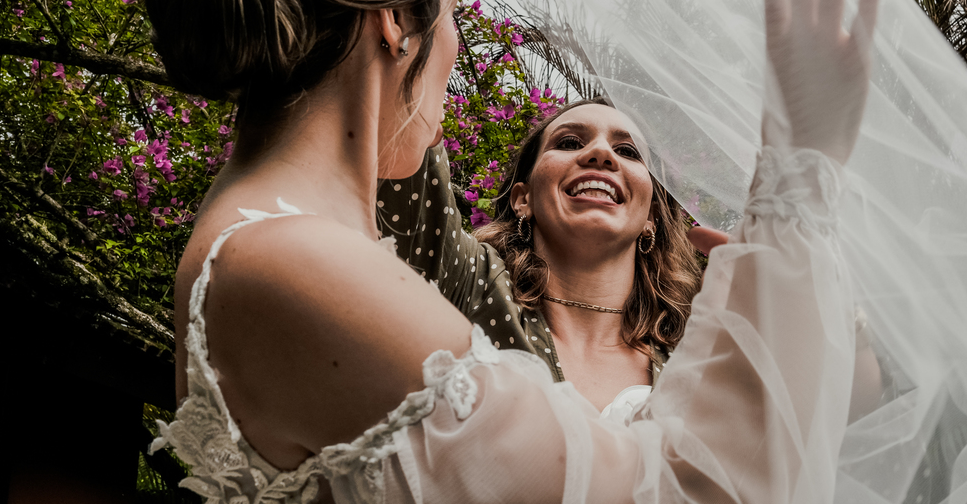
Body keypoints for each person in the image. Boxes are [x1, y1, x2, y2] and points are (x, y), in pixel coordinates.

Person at [145, 0, 877, 504]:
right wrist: (798, 169)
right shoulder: (294, 262)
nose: (455, 48)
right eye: (454, 12)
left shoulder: (268, 243)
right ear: (395, 21)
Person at [378, 100, 885, 422]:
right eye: (570, 142)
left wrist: (811, 296)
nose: (601, 154)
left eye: (629, 151)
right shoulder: (468, 285)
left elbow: (847, 412)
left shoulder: (698, 345)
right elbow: (402, 126)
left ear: (650, 218)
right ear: (522, 198)